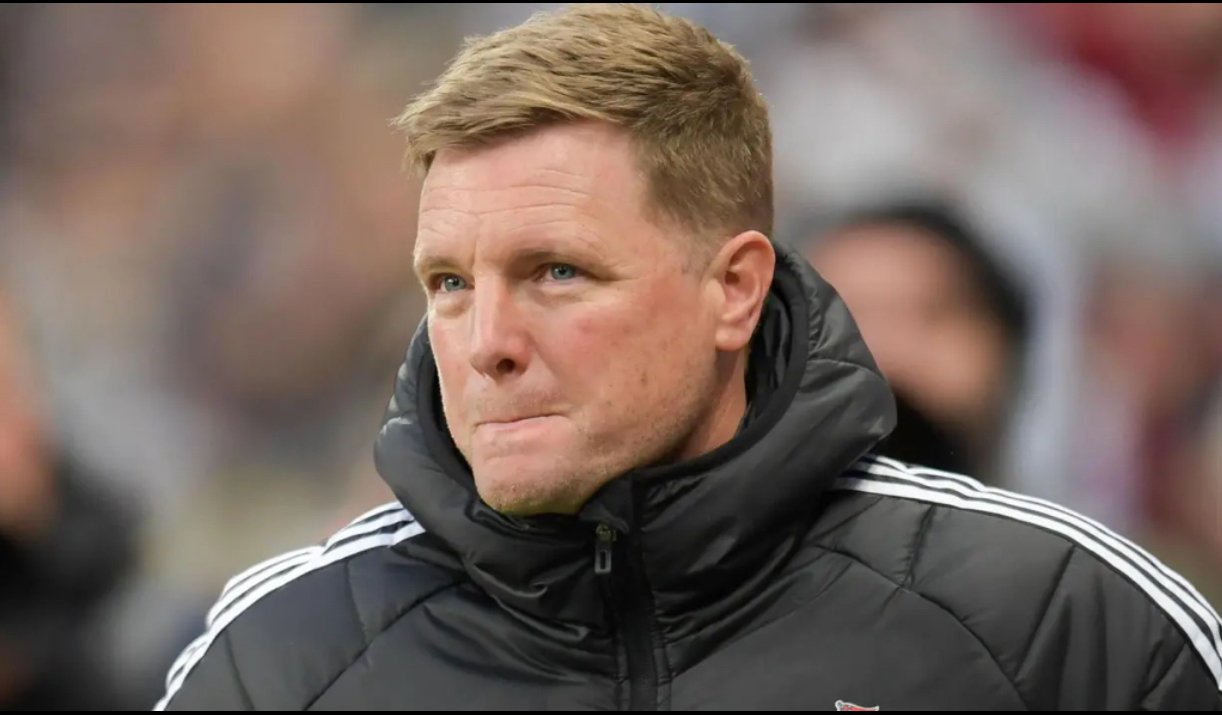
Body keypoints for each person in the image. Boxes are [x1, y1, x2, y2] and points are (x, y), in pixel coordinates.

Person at [156, 4, 1222, 710]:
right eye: (449, 283)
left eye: (557, 272)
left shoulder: (1065, 626)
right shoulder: (279, 662)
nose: (486, 345)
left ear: (735, 289)